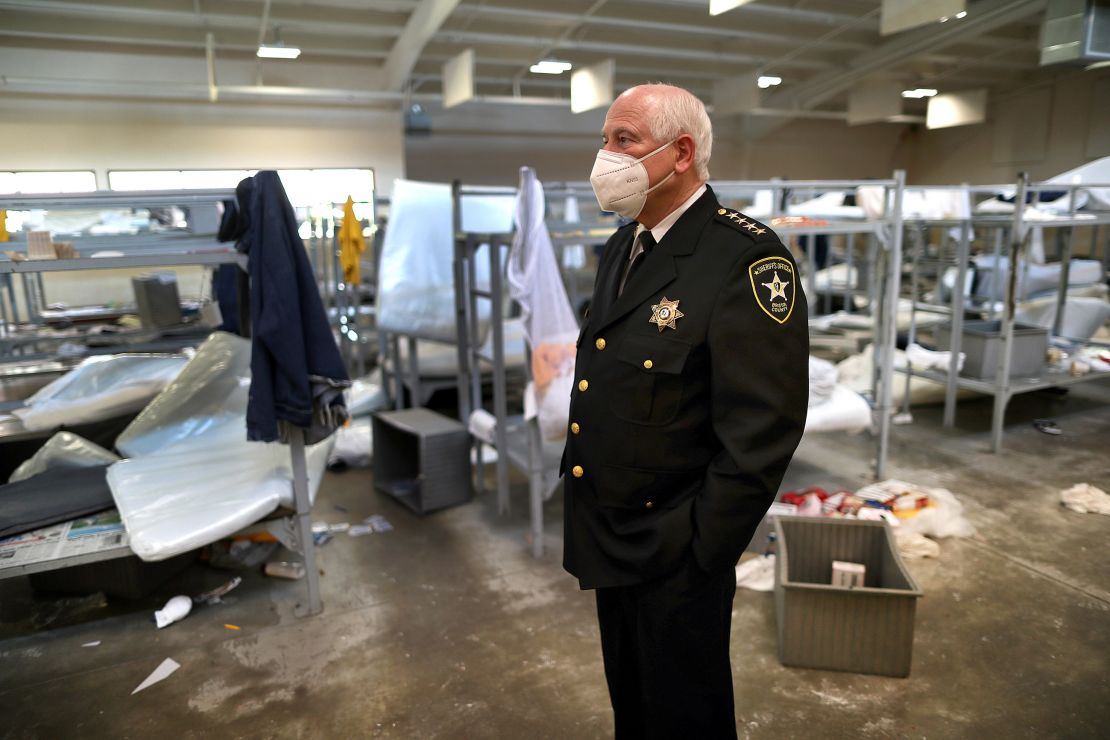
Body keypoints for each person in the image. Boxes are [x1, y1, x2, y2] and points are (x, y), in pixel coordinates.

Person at [561, 84, 809, 739]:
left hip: (676, 545)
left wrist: (703, 551)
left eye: (624, 141)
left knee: (685, 715)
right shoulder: (625, 244)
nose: (604, 157)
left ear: (681, 154)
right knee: (634, 706)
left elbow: (764, 428)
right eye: (605, 139)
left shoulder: (745, 259)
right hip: (611, 530)